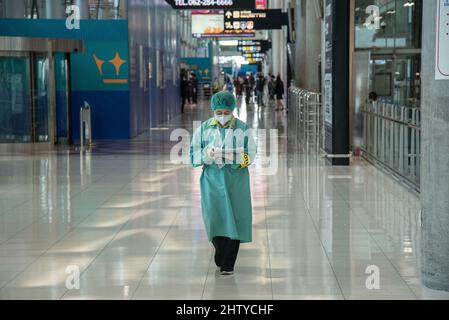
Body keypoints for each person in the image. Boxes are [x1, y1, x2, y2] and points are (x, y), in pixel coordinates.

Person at [190, 91, 256, 276]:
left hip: (236, 181)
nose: (222, 115)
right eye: (219, 111)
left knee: (235, 219)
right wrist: (207, 155)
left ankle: (229, 263)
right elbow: (193, 154)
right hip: (212, 180)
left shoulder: (242, 128)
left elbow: (250, 154)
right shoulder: (204, 129)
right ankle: (220, 252)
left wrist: (234, 158)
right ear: (213, 110)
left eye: (226, 111)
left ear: (232, 110)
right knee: (215, 218)